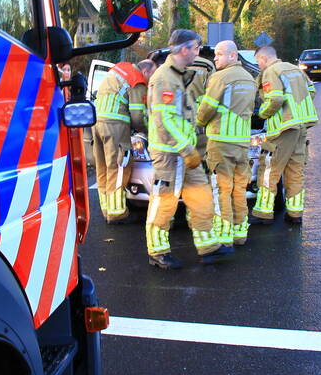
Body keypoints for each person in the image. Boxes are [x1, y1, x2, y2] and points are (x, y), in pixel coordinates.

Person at [145, 29, 234, 268]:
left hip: (185, 153)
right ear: (184, 49)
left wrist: (193, 147)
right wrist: (186, 150)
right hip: (169, 153)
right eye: (195, 47)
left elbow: (184, 116)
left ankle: (208, 247)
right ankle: (157, 252)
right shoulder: (164, 78)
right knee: (165, 202)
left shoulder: (179, 76)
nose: (198, 52)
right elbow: (165, 121)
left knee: (202, 197)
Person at [195, 40, 257, 246]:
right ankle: (240, 234)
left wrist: (198, 122)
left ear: (233, 56)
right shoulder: (250, 79)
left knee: (222, 190)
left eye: (219, 54)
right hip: (241, 144)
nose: (215, 58)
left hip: (221, 142)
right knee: (239, 190)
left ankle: (224, 237)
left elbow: (207, 108)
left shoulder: (219, 77)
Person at [251, 45, 318, 225]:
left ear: (264, 58)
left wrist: (262, 114)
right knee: (295, 170)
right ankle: (295, 214)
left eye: (258, 61)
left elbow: (275, 99)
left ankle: (263, 213)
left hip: (283, 129)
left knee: (269, 169)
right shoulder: (295, 69)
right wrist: (296, 108)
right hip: (301, 127)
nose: (258, 65)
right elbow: (311, 91)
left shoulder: (271, 72)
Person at [92, 59, 156, 223]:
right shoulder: (137, 79)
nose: (151, 81)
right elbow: (137, 115)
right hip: (115, 126)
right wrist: (149, 130)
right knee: (120, 166)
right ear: (146, 71)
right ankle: (117, 212)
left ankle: (106, 208)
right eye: (152, 76)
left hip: (96, 123)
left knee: (103, 168)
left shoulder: (118, 70)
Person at [186, 54, 216, 159]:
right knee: (201, 153)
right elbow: (213, 92)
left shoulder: (171, 65)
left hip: (179, 116)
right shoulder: (207, 65)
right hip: (201, 115)